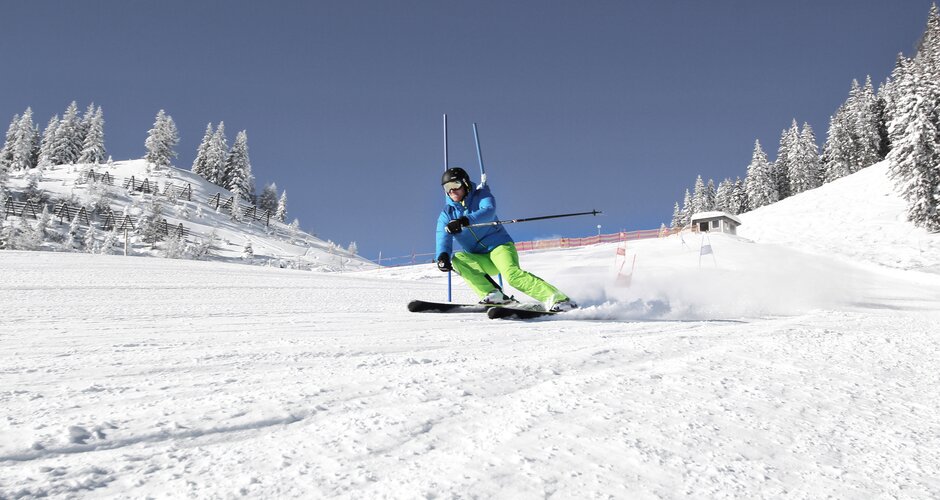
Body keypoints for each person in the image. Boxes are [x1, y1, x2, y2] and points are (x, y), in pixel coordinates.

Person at [435, 167, 577, 312]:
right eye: (447, 187)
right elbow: (442, 236)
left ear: (465, 183)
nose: (452, 191)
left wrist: (465, 220)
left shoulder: (481, 195)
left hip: (499, 247)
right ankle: (494, 295)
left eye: (455, 185)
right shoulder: (447, 214)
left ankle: (560, 300)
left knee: (512, 276)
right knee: (457, 259)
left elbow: (488, 211)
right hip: (479, 257)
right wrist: (442, 256)